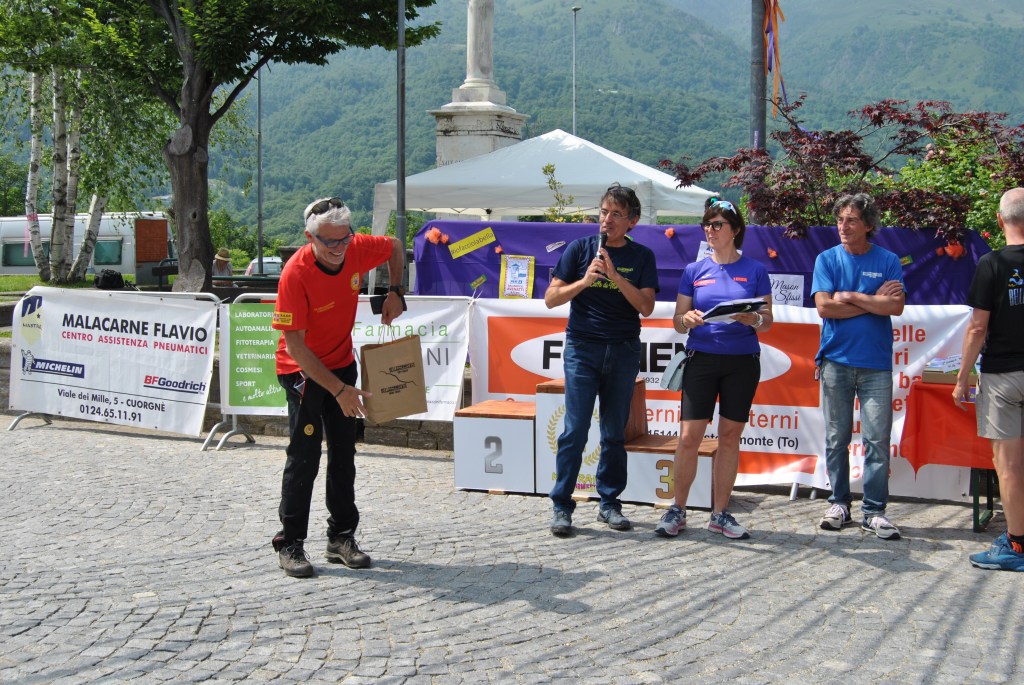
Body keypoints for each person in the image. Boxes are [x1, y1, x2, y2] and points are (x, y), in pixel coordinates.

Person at [271, 197, 406, 578]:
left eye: (344, 239)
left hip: (341, 364)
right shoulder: (295, 274)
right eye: (329, 241)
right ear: (309, 237)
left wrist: (396, 291)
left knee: (344, 454)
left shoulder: (355, 247)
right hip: (302, 371)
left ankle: (341, 537)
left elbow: (395, 246)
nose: (338, 248)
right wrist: (338, 390)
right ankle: (290, 543)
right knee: (304, 457)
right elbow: (296, 347)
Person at [655, 198, 773, 540]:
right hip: (702, 358)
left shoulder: (756, 270)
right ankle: (677, 509)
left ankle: (720, 513)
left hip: (742, 361)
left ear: (735, 230)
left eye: (718, 224)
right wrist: (687, 319)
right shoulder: (694, 271)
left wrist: (753, 319)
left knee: (729, 437)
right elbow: (677, 321)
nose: (710, 230)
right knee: (689, 437)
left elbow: (768, 321)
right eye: (707, 224)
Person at [545, 184, 659, 536]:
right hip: (583, 348)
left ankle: (609, 504)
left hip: (623, 349)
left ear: (632, 221)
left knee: (613, 432)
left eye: (616, 214)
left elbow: (646, 306)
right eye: (604, 212)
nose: (607, 220)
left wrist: (615, 276)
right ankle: (562, 506)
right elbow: (551, 298)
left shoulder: (642, 256)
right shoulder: (580, 249)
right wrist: (584, 281)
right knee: (575, 430)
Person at [813, 193, 905, 540]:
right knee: (836, 438)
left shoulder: (888, 259)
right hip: (835, 361)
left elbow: (895, 307)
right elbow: (825, 308)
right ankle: (839, 504)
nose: (843, 226)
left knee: (877, 440)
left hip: (875, 364)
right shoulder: (827, 259)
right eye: (840, 219)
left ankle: (874, 512)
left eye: (851, 220)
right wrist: (873, 300)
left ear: (868, 225)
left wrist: (850, 296)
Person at [953, 188, 1024, 571]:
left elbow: (977, 328)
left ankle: (1016, 545)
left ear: (999, 221)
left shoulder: (992, 263)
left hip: (1003, 376)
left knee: (1008, 466)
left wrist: (963, 376)